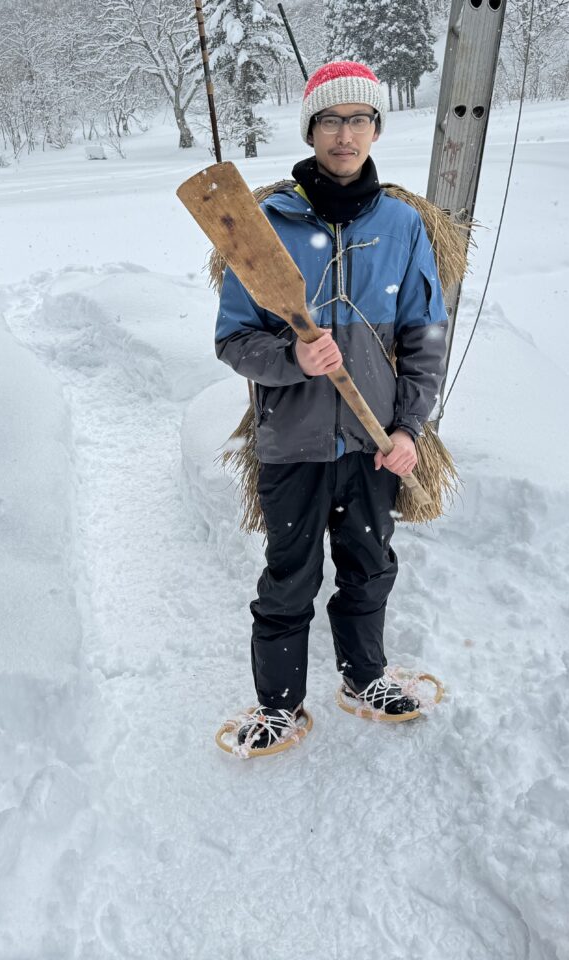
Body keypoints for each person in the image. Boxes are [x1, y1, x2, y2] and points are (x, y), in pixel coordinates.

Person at [213, 61, 449, 750]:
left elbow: (425, 334)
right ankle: (278, 706)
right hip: (293, 442)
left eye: (359, 120)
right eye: (330, 120)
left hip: (373, 444)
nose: (345, 134)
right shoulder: (264, 227)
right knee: (290, 578)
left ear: (376, 129)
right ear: (310, 129)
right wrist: (292, 359)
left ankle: (363, 678)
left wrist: (409, 428)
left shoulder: (403, 227)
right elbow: (233, 340)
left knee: (369, 568)